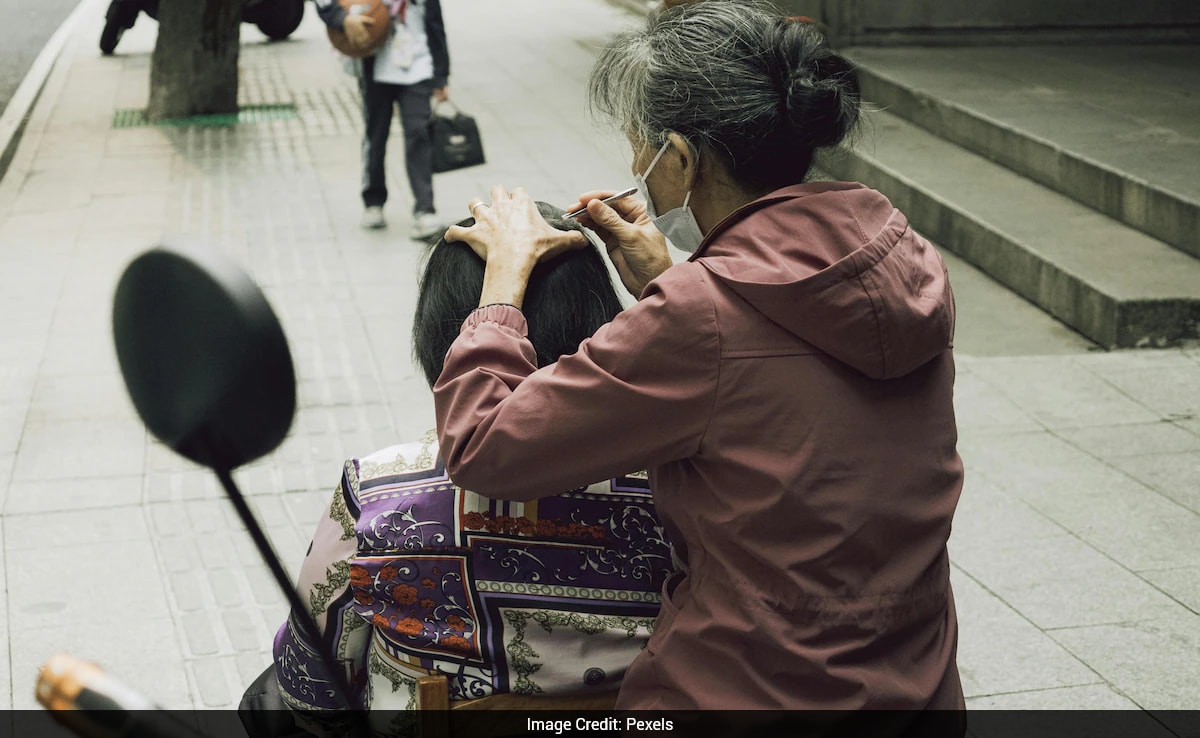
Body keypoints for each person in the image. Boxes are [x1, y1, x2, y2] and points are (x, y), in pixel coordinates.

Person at [432, 0, 966, 727]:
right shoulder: (893, 258)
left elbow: (483, 449)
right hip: (919, 687)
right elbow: (776, 389)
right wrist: (668, 279)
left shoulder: (700, 318)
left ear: (679, 159)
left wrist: (502, 284)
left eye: (638, 147)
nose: (633, 168)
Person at [271, 203, 672, 735]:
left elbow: (312, 688)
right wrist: (668, 287)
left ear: (438, 334)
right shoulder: (678, 486)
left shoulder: (376, 491)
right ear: (600, 324)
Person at [314, 0, 450, 238]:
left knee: (418, 134)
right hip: (375, 67)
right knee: (376, 136)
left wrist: (441, 76)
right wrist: (343, 19)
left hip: (418, 66)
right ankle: (373, 201)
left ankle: (425, 209)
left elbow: (436, 24)